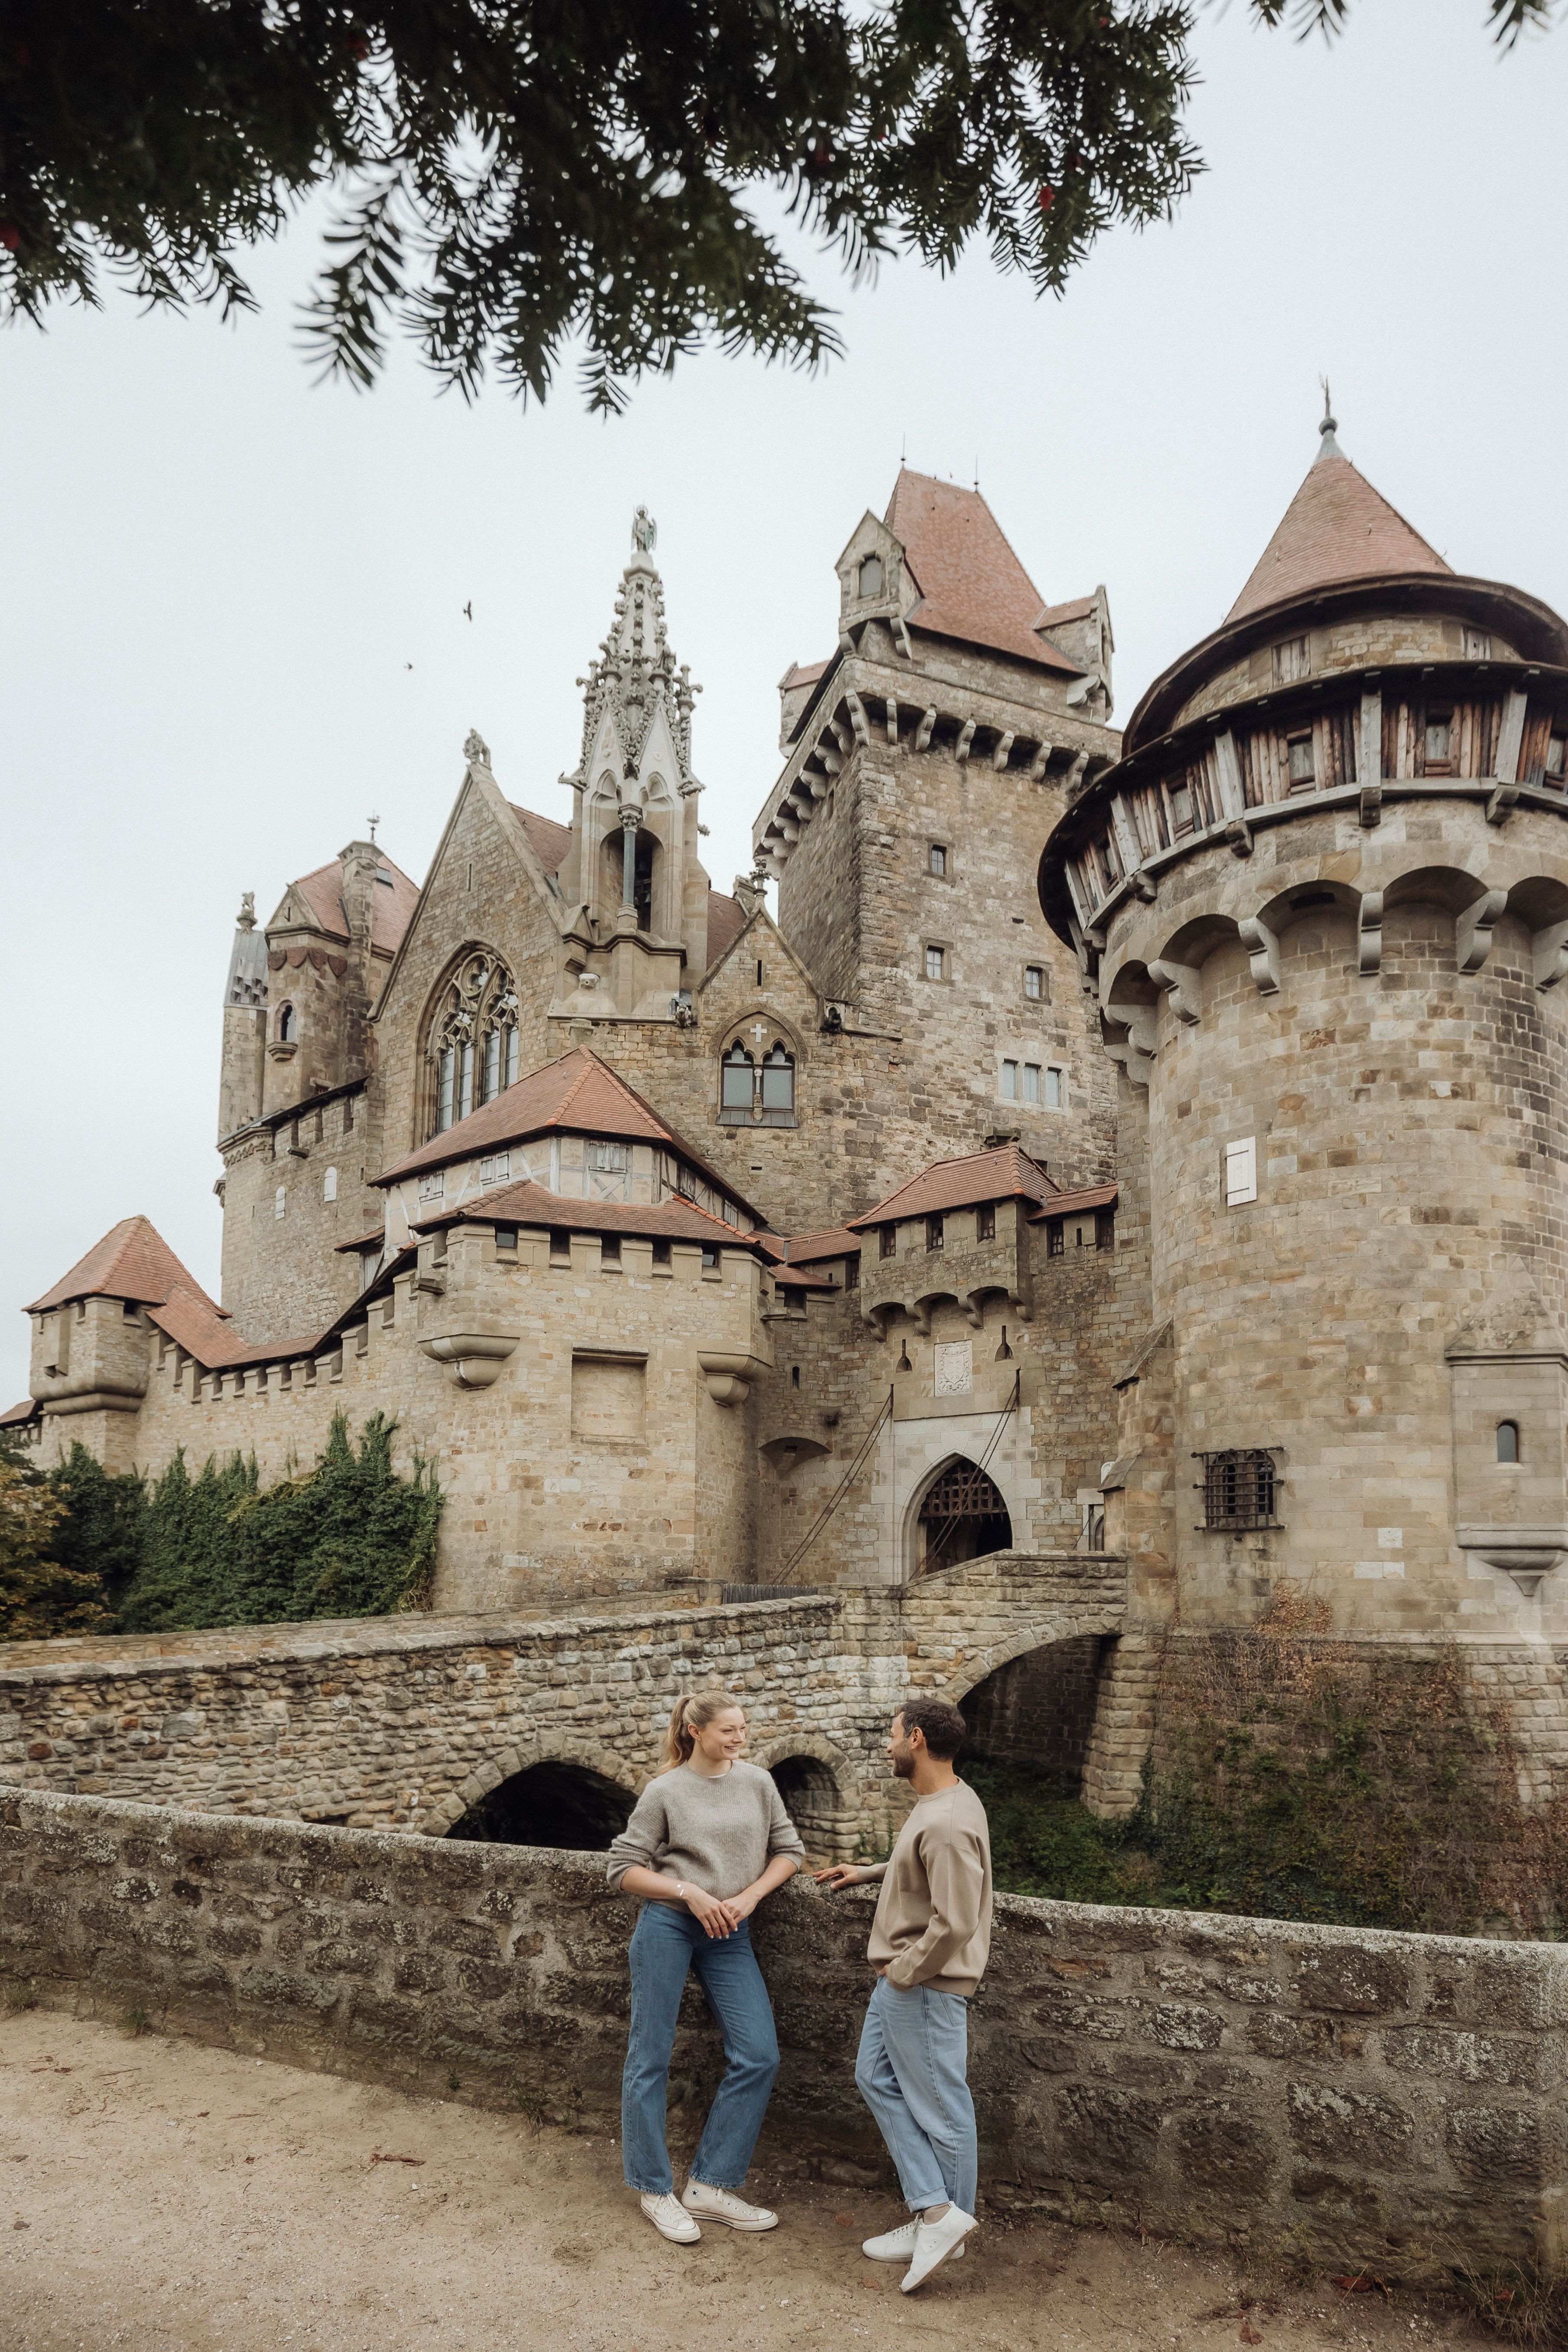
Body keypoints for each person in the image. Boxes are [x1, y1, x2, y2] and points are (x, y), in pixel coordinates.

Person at [606, 1688, 805, 2245]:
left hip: (731, 1932)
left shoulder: (758, 1782)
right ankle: (653, 2188)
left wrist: (751, 1896)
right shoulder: (665, 1790)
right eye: (729, 1729)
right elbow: (622, 1867)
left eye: (743, 1728)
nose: (740, 1738)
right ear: (696, 1731)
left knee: (759, 2053)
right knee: (650, 2055)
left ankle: (709, 2185)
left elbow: (790, 1851)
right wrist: (688, 1890)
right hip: (668, 1926)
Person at [813, 1694, 992, 2294]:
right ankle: (933, 2210)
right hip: (908, 1981)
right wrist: (871, 1871)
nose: (886, 1744)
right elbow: (924, 1870)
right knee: (873, 2075)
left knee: (943, 2110)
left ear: (916, 1738)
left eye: (892, 1734)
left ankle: (945, 2227)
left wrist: (904, 1971)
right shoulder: (944, 1799)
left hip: (923, 1984)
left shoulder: (948, 1822)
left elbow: (955, 1919)